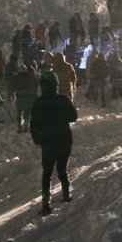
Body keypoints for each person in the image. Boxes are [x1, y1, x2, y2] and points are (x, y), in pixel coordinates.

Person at [30, 70, 78, 216]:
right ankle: (66, 193)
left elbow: (34, 124)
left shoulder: (38, 102)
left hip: (48, 141)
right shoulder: (63, 99)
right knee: (62, 169)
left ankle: (46, 202)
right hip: (64, 139)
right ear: (55, 85)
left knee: (47, 172)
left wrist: (37, 139)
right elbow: (73, 117)